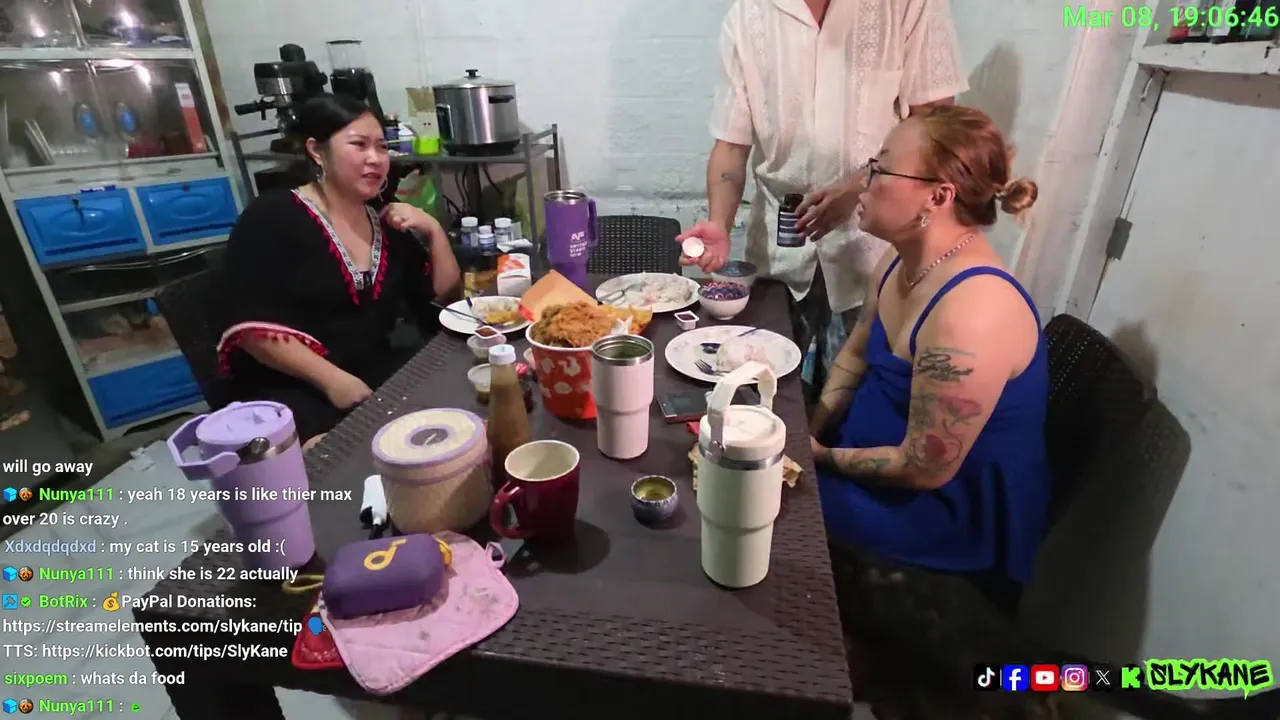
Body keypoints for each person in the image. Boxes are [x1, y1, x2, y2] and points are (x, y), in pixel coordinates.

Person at [808, 104, 1048, 615]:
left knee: (758, 497)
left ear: (938, 196)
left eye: (881, 169)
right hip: (865, 467)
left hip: (938, 517)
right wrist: (809, 430)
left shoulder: (972, 311)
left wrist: (818, 457)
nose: (864, 183)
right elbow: (856, 354)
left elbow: (923, 468)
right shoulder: (900, 260)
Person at [678, 0, 968, 401]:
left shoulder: (907, 6)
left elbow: (935, 127)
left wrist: (858, 187)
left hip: (875, 246)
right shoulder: (748, 15)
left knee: (862, 396)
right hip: (780, 245)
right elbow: (731, 144)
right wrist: (719, 224)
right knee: (765, 390)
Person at [216, 94, 461, 446]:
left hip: (368, 373)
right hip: (293, 387)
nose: (375, 158)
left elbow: (443, 297)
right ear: (317, 151)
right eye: (359, 145)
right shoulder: (273, 216)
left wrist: (434, 231)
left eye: (382, 147)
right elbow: (251, 330)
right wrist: (333, 381)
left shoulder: (385, 223)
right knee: (342, 457)